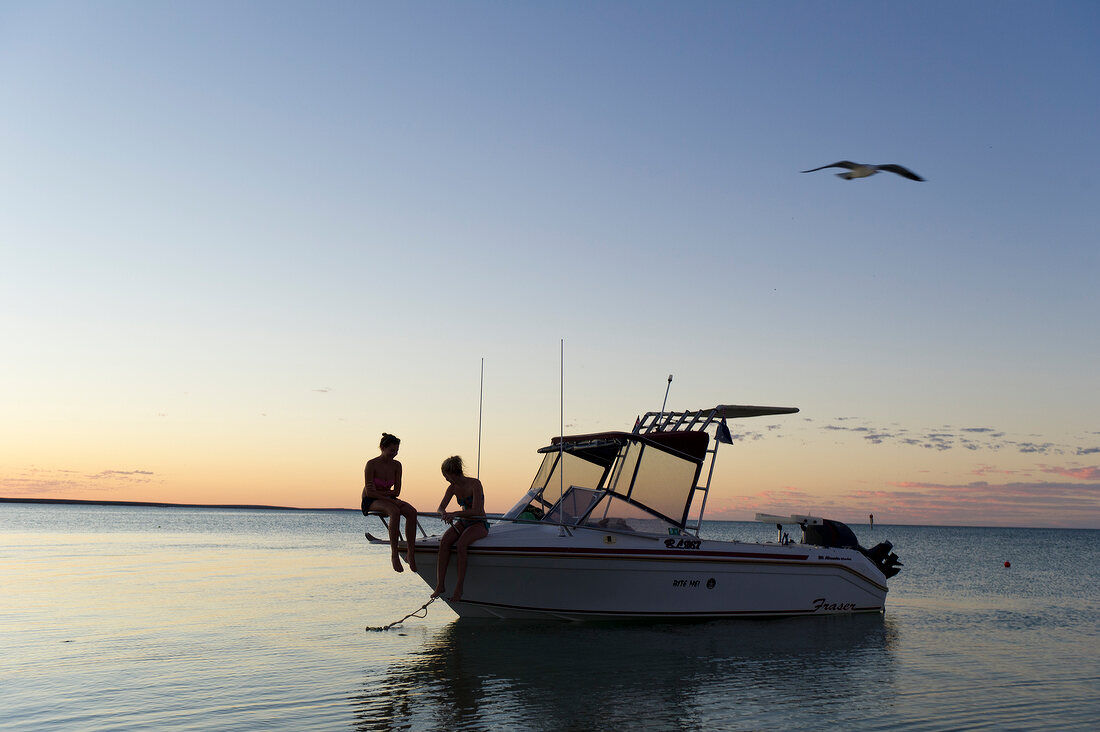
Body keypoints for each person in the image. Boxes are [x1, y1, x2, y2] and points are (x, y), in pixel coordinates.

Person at [432, 455, 489, 602]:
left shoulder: (475, 484)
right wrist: (444, 514)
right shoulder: (452, 488)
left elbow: (476, 510)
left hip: (478, 523)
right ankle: (440, 585)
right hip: (463, 522)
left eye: (446, 476)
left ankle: (459, 588)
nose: (445, 479)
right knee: (444, 542)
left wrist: (455, 513)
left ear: (453, 473)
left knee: (461, 544)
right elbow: (440, 507)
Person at [362, 433, 418, 572]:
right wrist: (389, 498)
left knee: (412, 512)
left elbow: (397, 491)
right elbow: (370, 493)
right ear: (383, 448)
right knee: (395, 511)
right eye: (392, 450)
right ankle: (394, 554)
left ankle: (411, 552)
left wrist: (386, 495)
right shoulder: (371, 464)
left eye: (397, 450)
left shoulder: (397, 465)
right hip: (371, 500)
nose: (395, 453)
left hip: (387, 498)